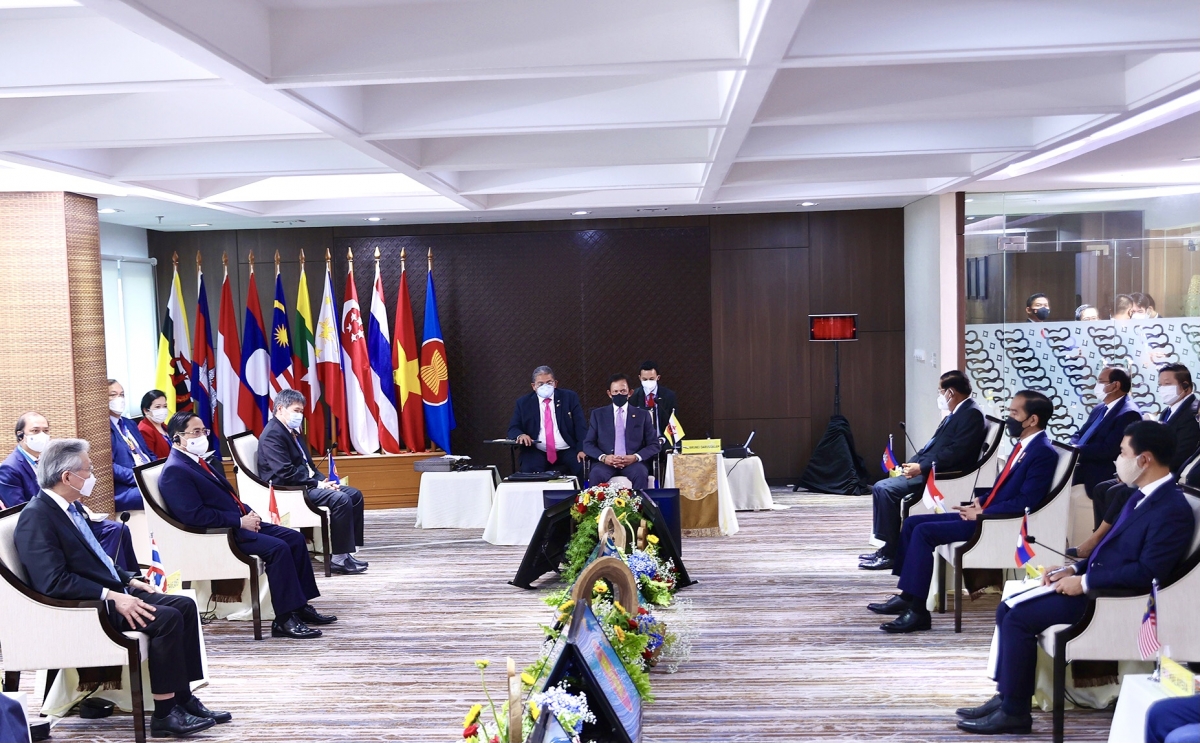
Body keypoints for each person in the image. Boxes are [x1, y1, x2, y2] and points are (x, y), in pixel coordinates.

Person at [957, 421, 1194, 735]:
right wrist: (1073, 569)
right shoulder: (1140, 495)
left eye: (1123, 453)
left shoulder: (1171, 508)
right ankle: (1007, 697)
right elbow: (1109, 551)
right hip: (1099, 587)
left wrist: (1084, 583)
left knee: (1018, 618)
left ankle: (1015, 713)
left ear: (1145, 459)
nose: (1117, 460)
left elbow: (1148, 573)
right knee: (1007, 608)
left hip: (1116, 601)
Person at [14, 439, 227, 737]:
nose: (93, 476)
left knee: (184, 605)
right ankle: (165, 714)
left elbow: (96, 558)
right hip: (84, 607)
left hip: (108, 592)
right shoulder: (37, 517)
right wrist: (112, 596)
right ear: (67, 477)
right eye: (88, 470)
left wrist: (128, 579)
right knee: (167, 619)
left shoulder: (72, 508)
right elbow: (53, 581)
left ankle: (183, 698)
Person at [870, 390, 1059, 633]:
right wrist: (980, 502)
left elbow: (1027, 501)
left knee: (924, 532)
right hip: (987, 513)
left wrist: (983, 514)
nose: (1009, 418)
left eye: (1014, 413)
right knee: (911, 523)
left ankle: (918, 612)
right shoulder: (1024, 445)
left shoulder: (1042, 452)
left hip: (997, 523)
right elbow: (1003, 487)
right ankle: (908, 595)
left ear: (1032, 419)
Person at [159, 412, 333, 639]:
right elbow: (195, 516)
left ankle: (300, 606)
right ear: (177, 437)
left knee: (295, 539)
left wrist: (247, 511)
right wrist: (239, 521)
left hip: (237, 522)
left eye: (204, 431)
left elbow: (225, 497)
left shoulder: (197, 461)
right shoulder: (175, 470)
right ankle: (283, 619)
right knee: (278, 549)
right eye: (196, 432)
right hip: (221, 534)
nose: (202, 436)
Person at [860, 371, 986, 570]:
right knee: (881, 487)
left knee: (884, 489)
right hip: (929, 469)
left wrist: (922, 467)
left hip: (941, 475)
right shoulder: (958, 412)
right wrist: (910, 464)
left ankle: (891, 552)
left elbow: (956, 453)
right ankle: (886, 548)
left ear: (951, 392)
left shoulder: (971, 414)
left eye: (940, 391)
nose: (940, 396)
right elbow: (934, 446)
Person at [1072, 364, 1200, 557]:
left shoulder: (1191, 413)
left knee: (1118, 493)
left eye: (1168, 384)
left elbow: (1178, 455)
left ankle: (1108, 544)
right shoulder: (1169, 411)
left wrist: (1141, 474)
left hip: (1166, 477)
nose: (1162, 389)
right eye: (1160, 384)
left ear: (1186, 387)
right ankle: (1102, 543)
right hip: (1151, 470)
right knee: (1102, 488)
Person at [0, 412, 139, 571]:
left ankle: (130, 577)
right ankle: (106, 576)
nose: (42, 435)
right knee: (110, 532)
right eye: (35, 431)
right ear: (20, 435)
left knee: (119, 530)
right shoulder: (9, 468)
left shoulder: (48, 458)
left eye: (46, 431)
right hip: (46, 524)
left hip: (66, 513)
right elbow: (21, 510)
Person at [257, 390, 367, 575]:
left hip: (304, 483)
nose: (300, 415)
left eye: (301, 411)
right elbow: (285, 472)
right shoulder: (272, 434)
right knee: (341, 500)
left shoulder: (291, 431)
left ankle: (347, 552)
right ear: (280, 409)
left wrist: (323, 480)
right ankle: (338, 559)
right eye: (296, 410)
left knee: (354, 495)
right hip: (288, 489)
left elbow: (307, 465)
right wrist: (318, 485)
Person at [1070, 366, 1141, 509]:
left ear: (1116, 385)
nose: (1096, 385)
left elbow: (1109, 449)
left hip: (1097, 470)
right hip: (1079, 462)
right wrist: (1070, 447)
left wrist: (1076, 451)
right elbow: (1080, 433)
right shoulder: (1100, 408)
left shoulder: (1129, 413)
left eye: (1101, 381)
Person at [582, 374, 661, 490]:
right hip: (606, 463)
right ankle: (597, 503)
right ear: (609, 393)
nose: (619, 394)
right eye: (615, 391)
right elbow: (588, 444)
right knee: (596, 474)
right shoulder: (598, 415)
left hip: (633, 463)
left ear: (630, 393)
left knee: (640, 474)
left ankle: (640, 502)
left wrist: (635, 457)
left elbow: (654, 444)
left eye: (623, 391)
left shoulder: (642, 415)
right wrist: (604, 458)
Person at [507, 366, 587, 478]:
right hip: (537, 449)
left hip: (567, 448)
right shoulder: (523, 403)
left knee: (582, 466)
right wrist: (521, 435)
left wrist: (582, 449)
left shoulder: (569, 397)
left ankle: (583, 490)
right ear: (533, 386)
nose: (545, 387)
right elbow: (513, 428)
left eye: (549, 383)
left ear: (555, 383)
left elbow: (580, 426)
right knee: (530, 469)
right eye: (540, 384)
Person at [107, 379, 153, 511]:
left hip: (147, 476)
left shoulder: (130, 423)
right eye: (113, 395)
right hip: (127, 487)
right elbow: (109, 467)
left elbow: (148, 453)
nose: (119, 399)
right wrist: (139, 477)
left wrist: (156, 470)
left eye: (122, 395)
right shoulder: (102, 430)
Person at [630, 361, 677, 442]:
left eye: (651, 379)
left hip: (664, 440)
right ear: (639, 378)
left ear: (658, 377)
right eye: (645, 379)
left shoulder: (669, 396)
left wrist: (663, 439)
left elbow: (674, 422)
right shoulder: (633, 397)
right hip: (641, 443)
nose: (648, 382)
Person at [137, 389, 172, 460]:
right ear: (146, 410)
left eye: (165, 406)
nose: (162, 410)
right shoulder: (144, 430)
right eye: (157, 407)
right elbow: (150, 459)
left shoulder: (163, 425)